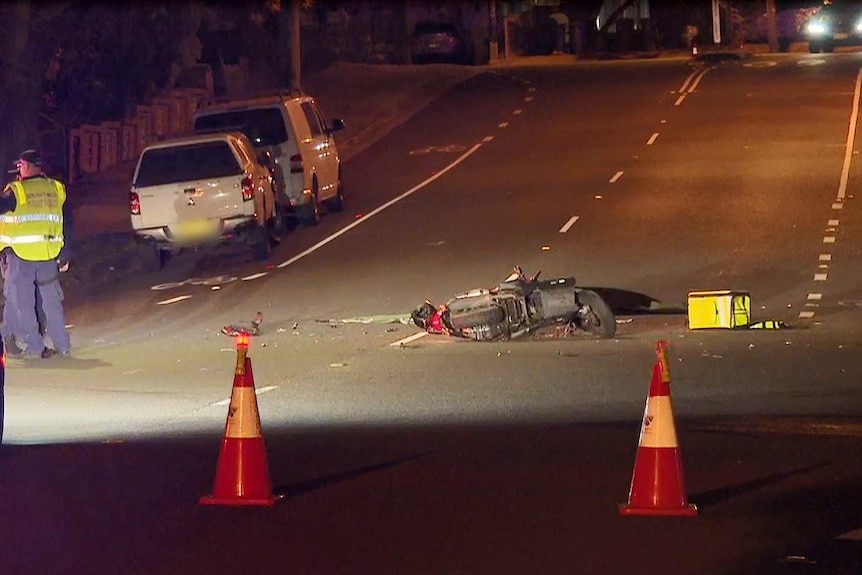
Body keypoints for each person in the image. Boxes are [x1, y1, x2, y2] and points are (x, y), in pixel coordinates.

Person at [0, 149, 71, 358]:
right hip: (48, 253)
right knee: (52, 300)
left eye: (20, 166)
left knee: (24, 302)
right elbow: (67, 221)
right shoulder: (56, 188)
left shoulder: (17, 191)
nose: (18, 170)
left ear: (29, 166)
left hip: (21, 256)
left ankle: (34, 347)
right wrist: (65, 253)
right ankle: (62, 345)